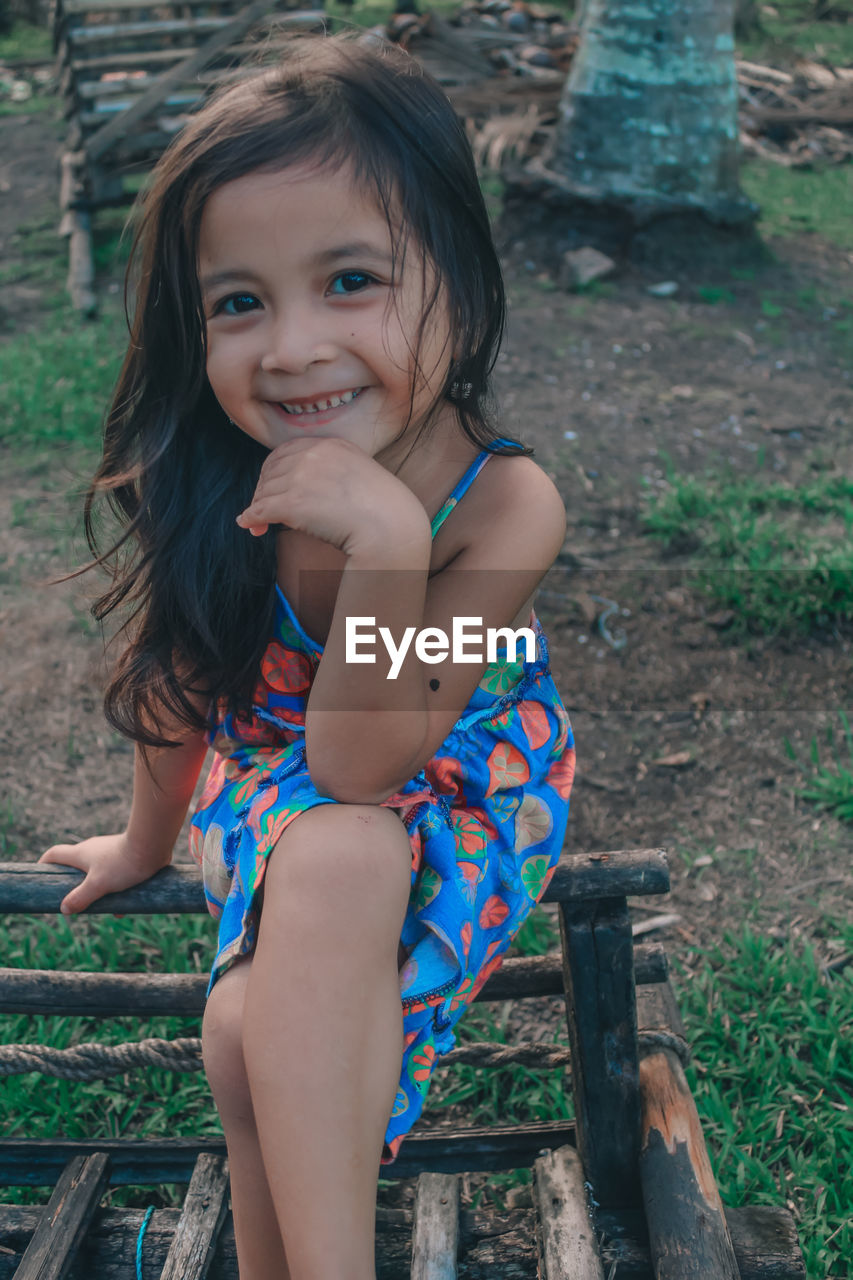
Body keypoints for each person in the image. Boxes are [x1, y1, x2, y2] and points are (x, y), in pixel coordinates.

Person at [40, 34, 576, 1280]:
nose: (290, 348)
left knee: (253, 1007)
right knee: (321, 873)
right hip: (276, 777)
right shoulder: (227, 476)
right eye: (239, 302)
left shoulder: (505, 509)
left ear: (458, 272)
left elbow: (360, 758)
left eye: (350, 279)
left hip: (459, 775)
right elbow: (183, 685)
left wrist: (388, 539)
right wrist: (142, 843)